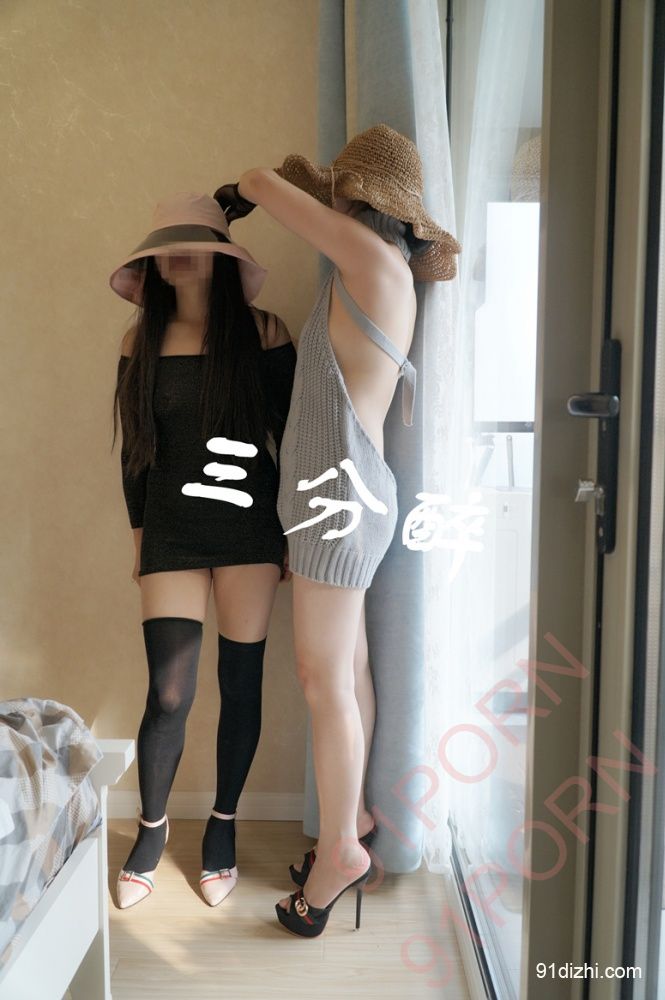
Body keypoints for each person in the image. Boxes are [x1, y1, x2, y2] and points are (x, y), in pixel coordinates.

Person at [215, 123, 460, 937]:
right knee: (342, 673)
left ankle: (338, 856)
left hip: (338, 496)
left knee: (323, 679)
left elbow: (260, 180)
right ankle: (348, 823)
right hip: (338, 494)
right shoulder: (372, 270)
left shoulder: (372, 262)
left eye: (338, 194)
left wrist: (241, 192)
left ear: (357, 200)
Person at [109, 192, 296, 909]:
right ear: (152, 262)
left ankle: (222, 827)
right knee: (169, 693)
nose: (178, 257)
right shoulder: (139, 340)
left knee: (240, 683)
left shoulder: (265, 332)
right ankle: (152, 830)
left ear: (222, 258)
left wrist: (293, 532)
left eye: (195, 245)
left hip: (250, 528)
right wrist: (140, 541)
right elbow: (135, 453)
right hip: (171, 530)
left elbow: (293, 439)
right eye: (167, 247)